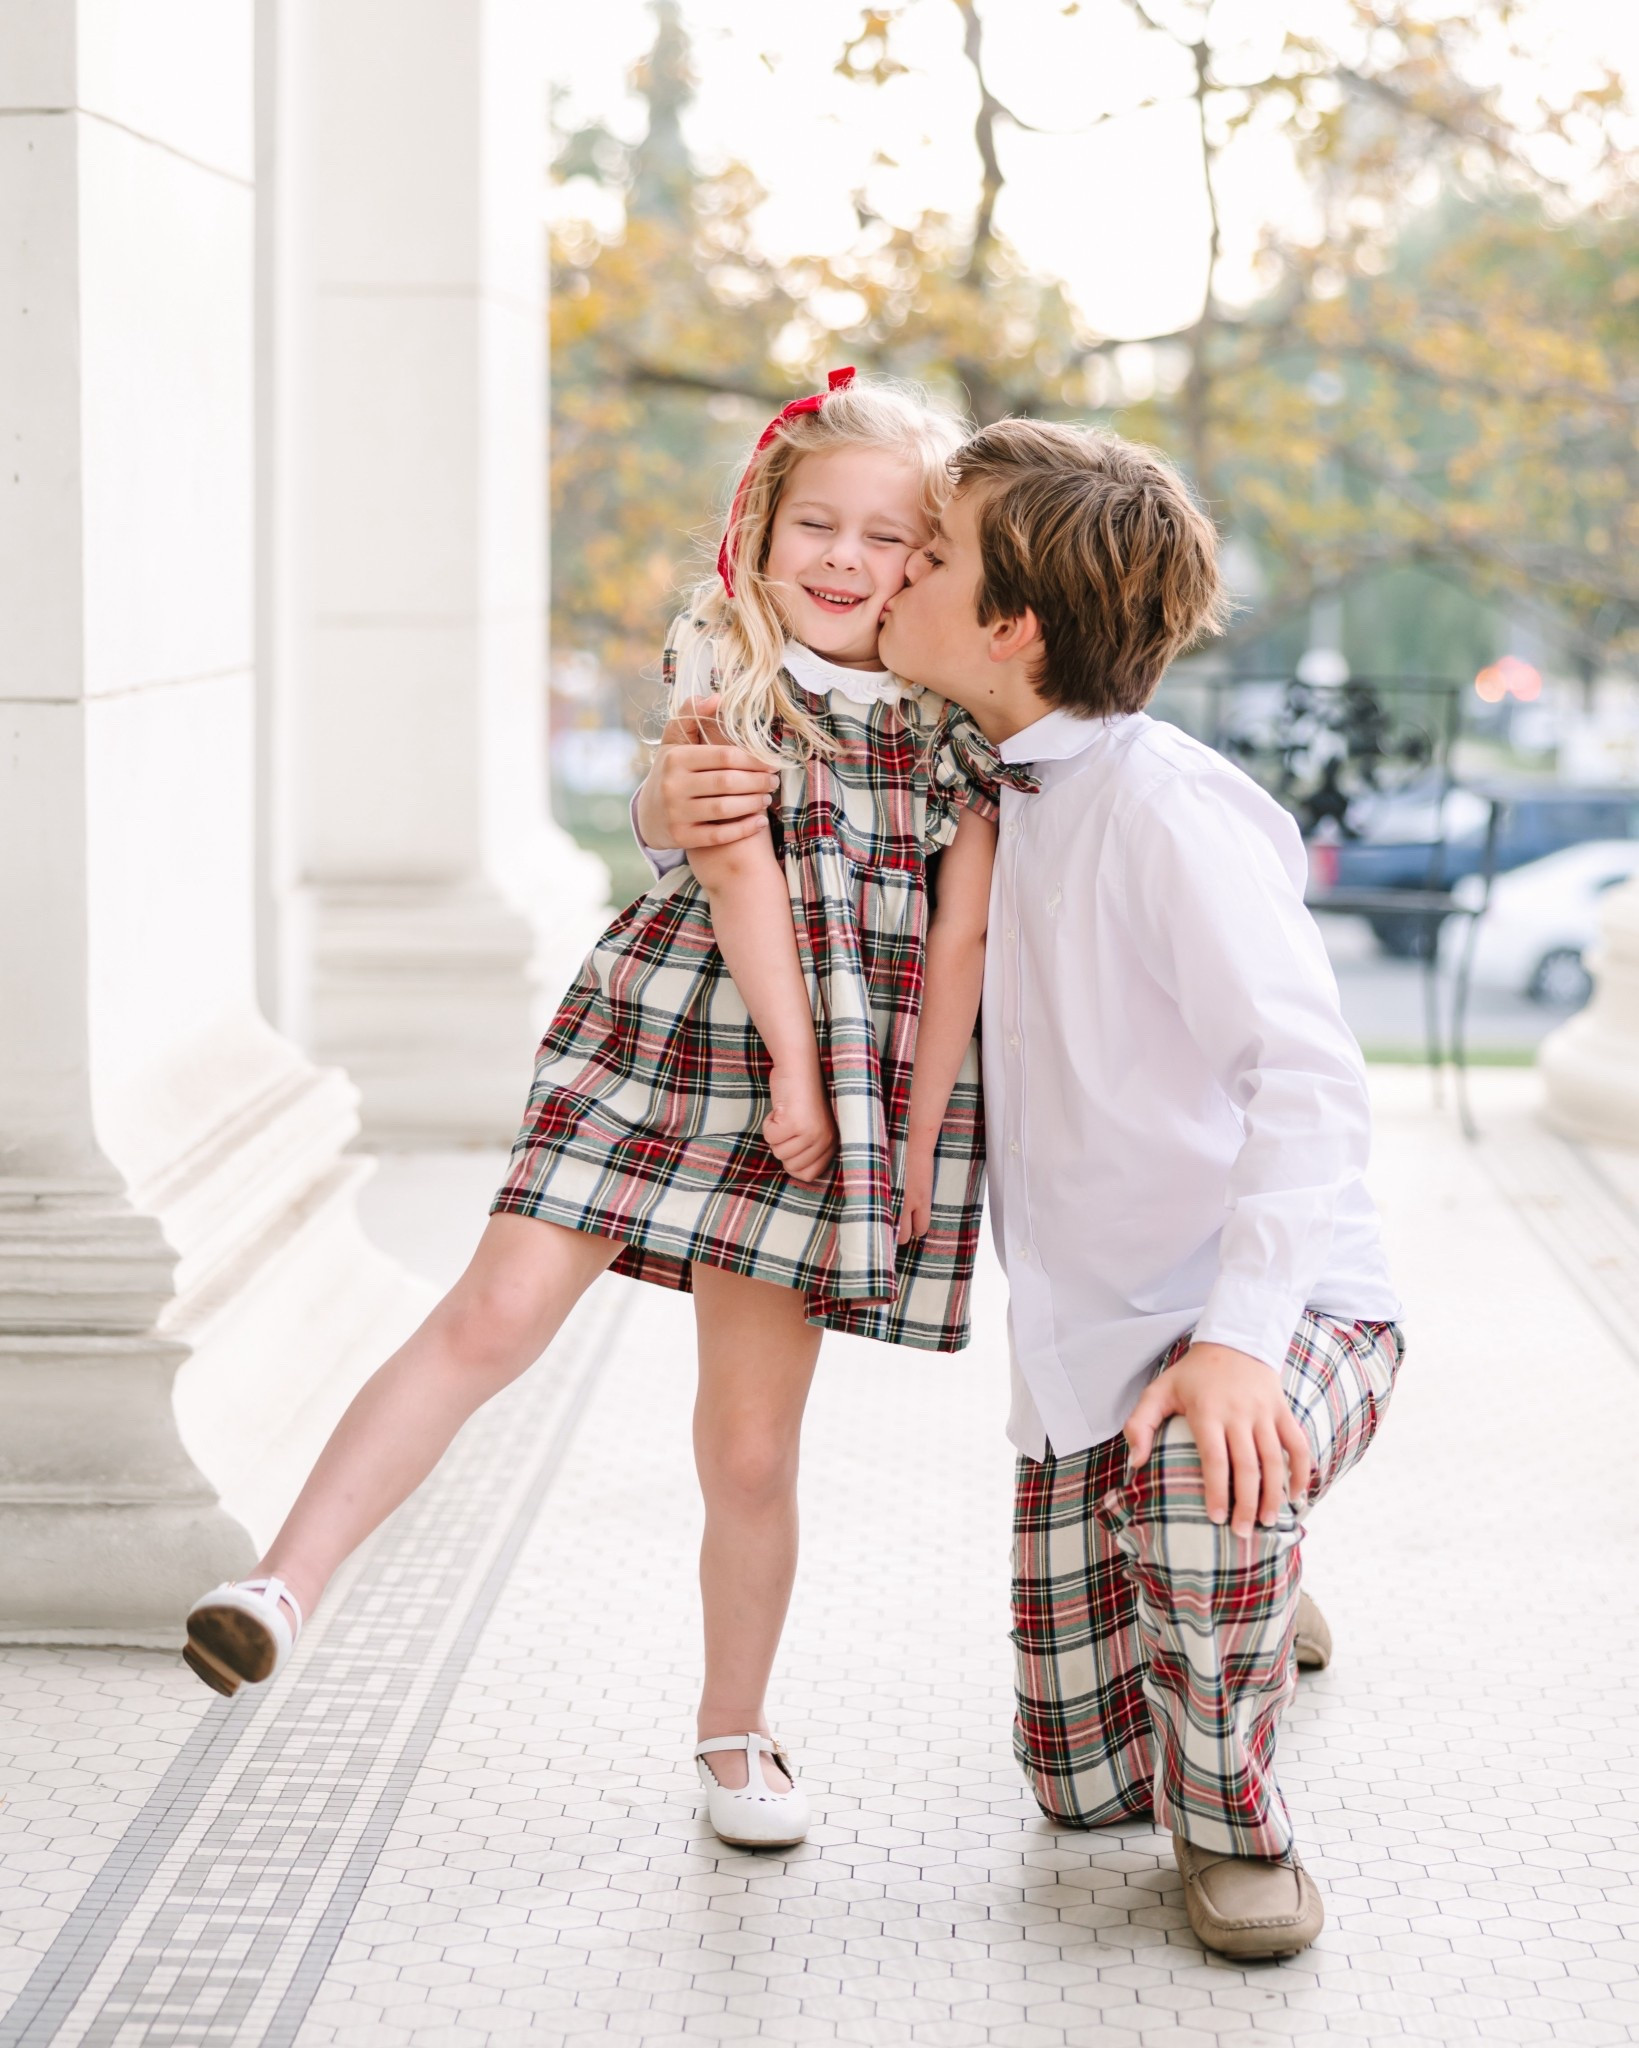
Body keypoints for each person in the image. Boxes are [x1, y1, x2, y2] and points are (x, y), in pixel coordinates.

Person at [182, 372, 1027, 1853]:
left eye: (885, 537)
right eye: (813, 523)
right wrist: (791, 1067)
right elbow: (738, 870)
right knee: (492, 1316)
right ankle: (282, 1583)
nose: (842, 558)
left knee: (750, 1450)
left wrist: (914, 1127)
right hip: (680, 1041)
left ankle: (735, 1731)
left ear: (932, 560)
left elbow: (961, 941)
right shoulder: (731, 670)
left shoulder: (955, 727)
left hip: (842, 1089)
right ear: (760, 537)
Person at [635, 418, 1403, 1956]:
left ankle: (1243, 1806)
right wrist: (671, 805)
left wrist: (1243, 1337)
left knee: (1202, 1489)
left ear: (1009, 627)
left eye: (925, 554)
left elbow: (1313, 1090)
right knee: (1076, 1782)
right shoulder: (958, 770)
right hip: (1090, 1349)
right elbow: (748, 838)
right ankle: (1243, 1576)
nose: (887, 569)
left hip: (1276, 1306)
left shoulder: (1168, 811)